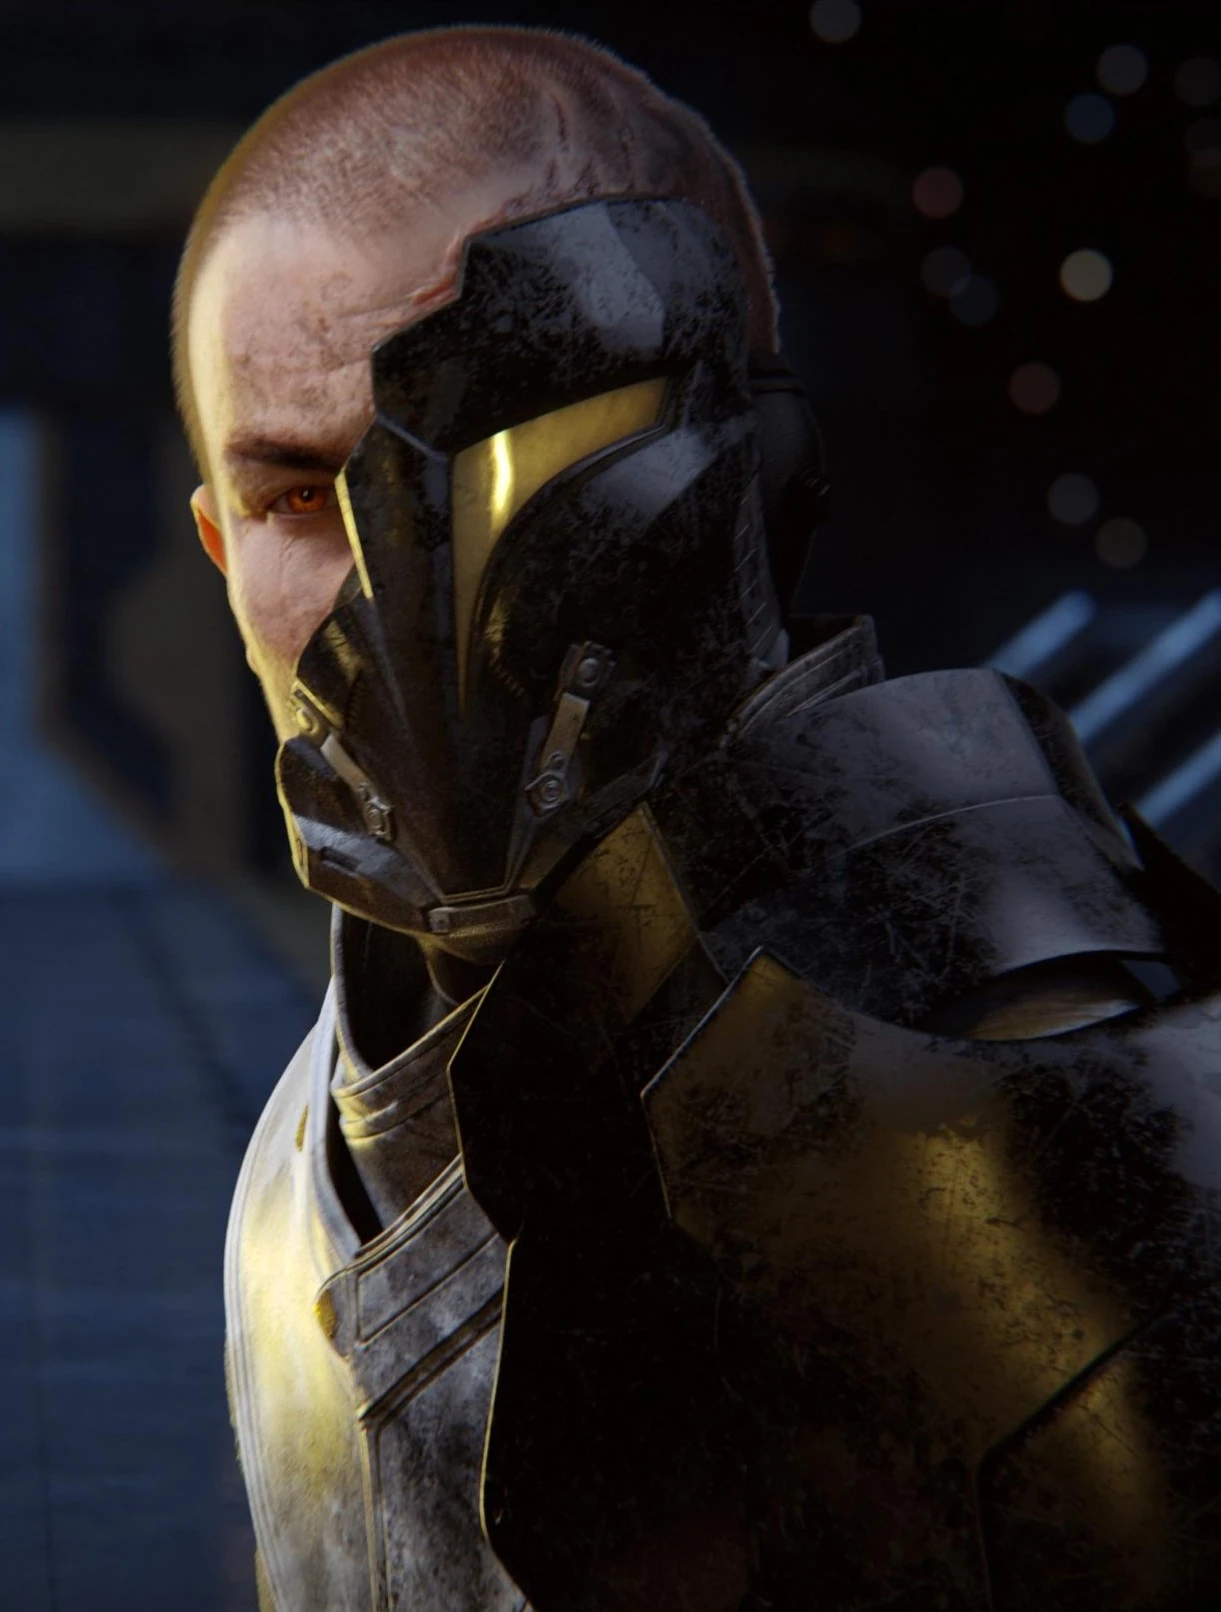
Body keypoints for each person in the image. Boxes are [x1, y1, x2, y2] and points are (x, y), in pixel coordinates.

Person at [176, 25, 1221, 1612]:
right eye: (302, 498)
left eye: (502, 473)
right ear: (217, 545)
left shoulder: (1043, 1086)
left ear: (741, 463)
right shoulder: (300, 1161)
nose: (395, 604)